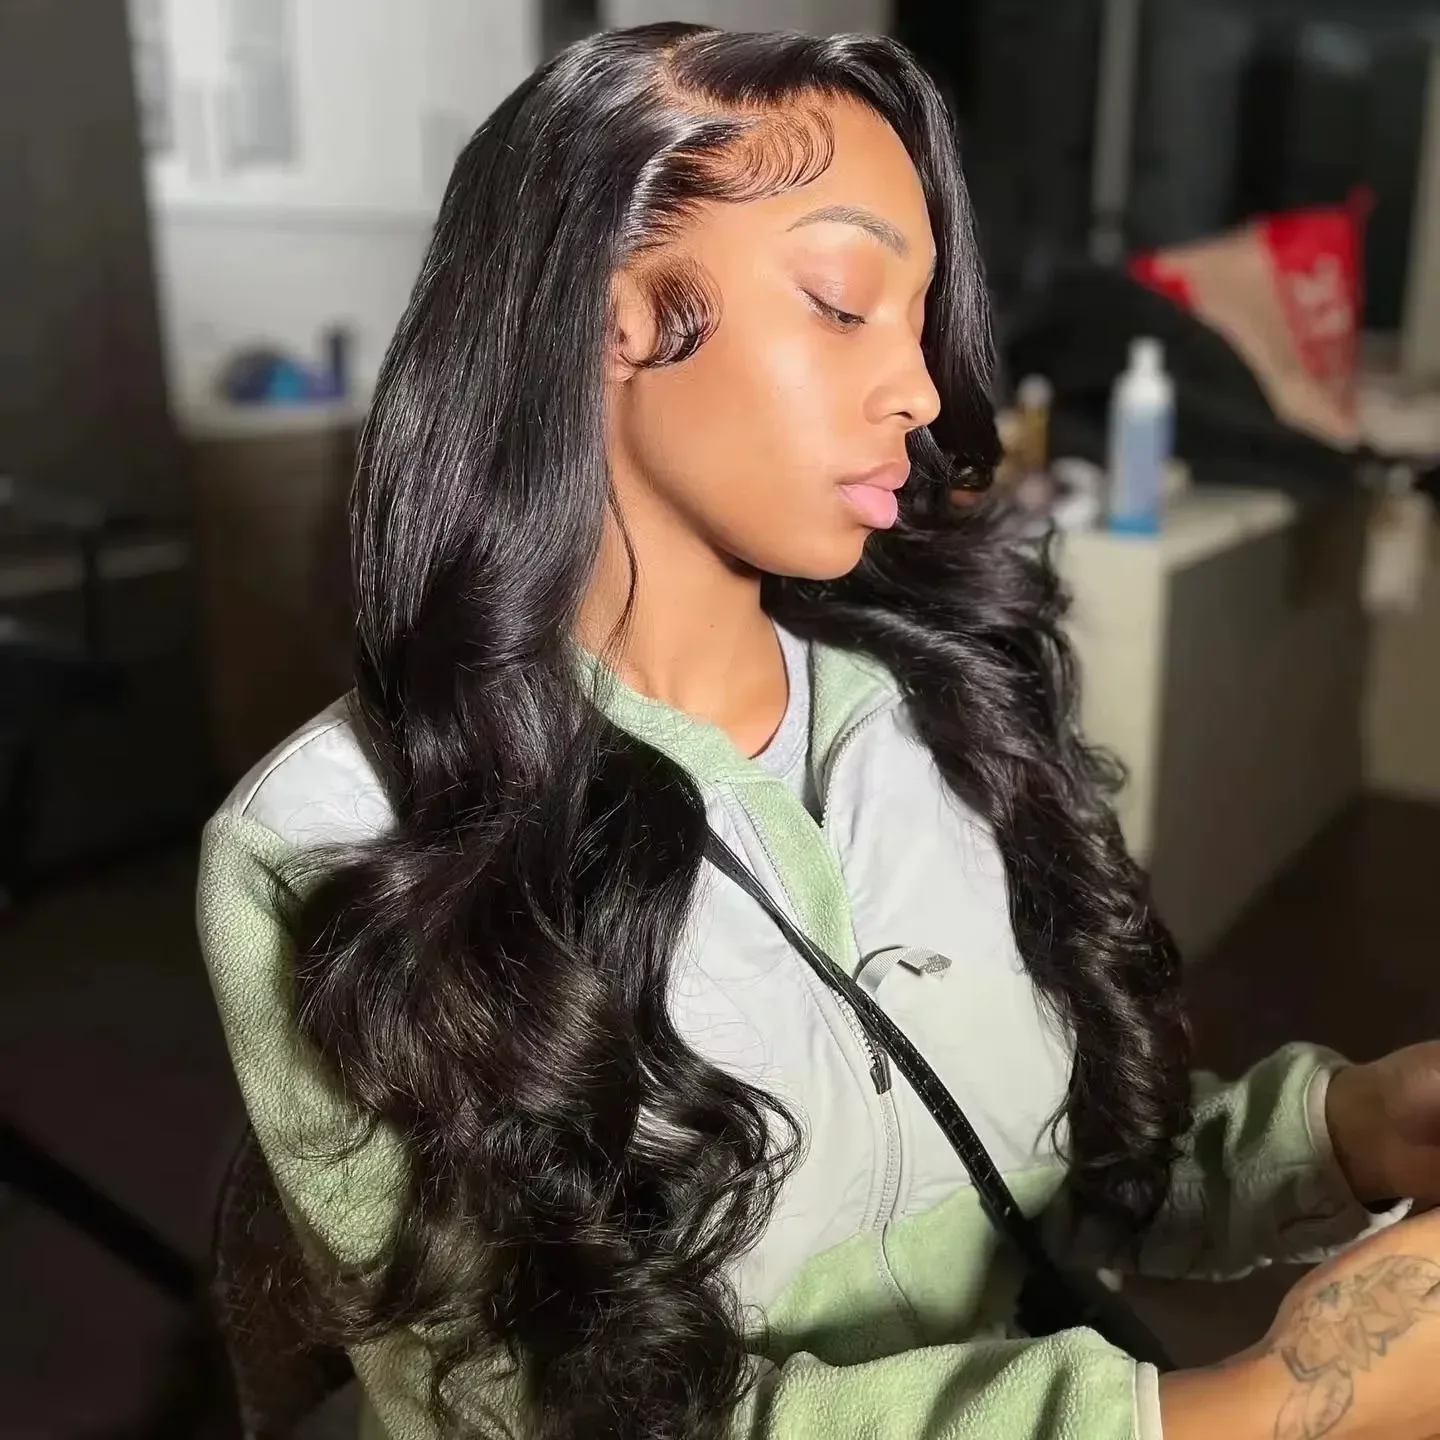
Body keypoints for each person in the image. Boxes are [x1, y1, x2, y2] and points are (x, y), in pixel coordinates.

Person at [197, 23, 1440, 1440]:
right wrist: (1249, 1413)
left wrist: (1349, 1133)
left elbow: (1041, 1177)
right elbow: (526, 1409)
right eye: (845, 303)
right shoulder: (331, 843)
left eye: (921, 320)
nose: (920, 391)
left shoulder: (939, 713)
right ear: (608, 311)